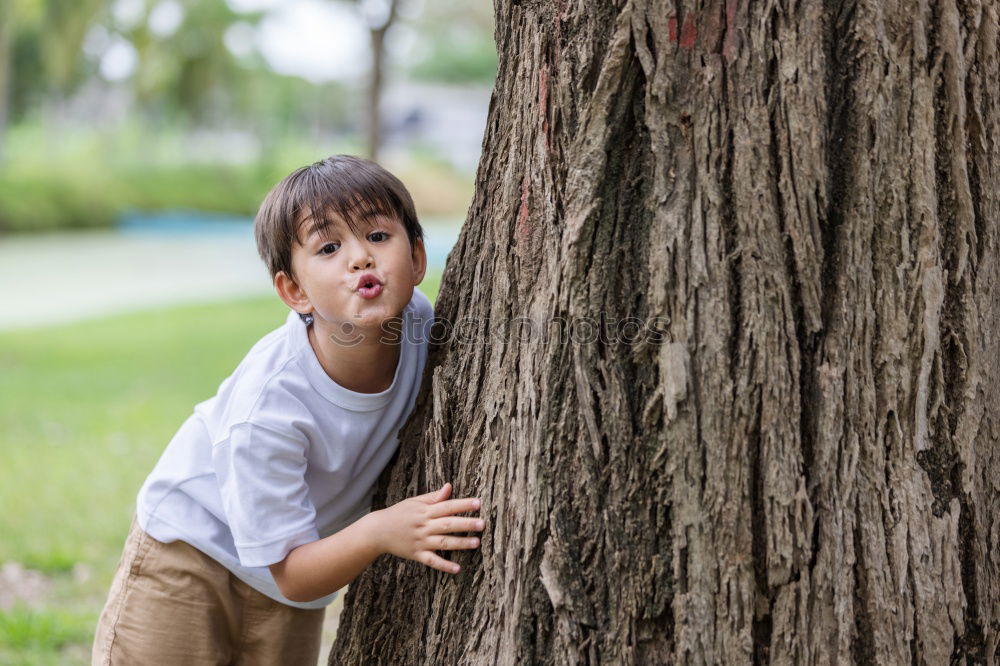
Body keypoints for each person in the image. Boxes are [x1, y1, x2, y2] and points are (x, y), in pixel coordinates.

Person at [92, 155, 484, 665]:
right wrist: (379, 530)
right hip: (192, 554)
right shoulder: (270, 407)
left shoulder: (424, 328)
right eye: (329, 247)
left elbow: (295, 581)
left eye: (379, 237)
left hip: (298, 567)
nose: (360, 258)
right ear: (294, 291)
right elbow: (292, 573)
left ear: (417, 256)